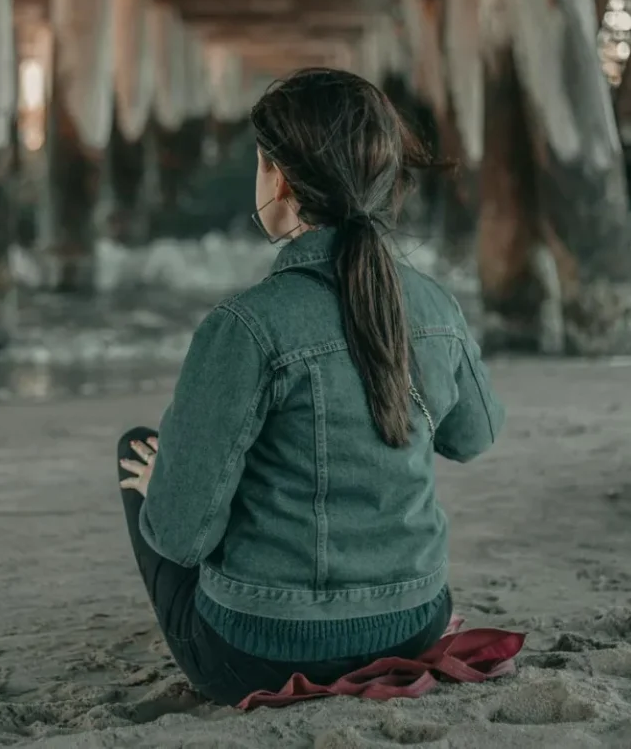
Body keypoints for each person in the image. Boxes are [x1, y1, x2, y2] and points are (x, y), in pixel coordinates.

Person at [116, 66, 505, 707]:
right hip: (414, 621)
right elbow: (475, 437)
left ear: (282, 179)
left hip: (260, 652)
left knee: (142, 451)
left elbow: (181, 537)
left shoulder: (245, 324)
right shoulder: (435, 306)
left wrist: (169, 480)